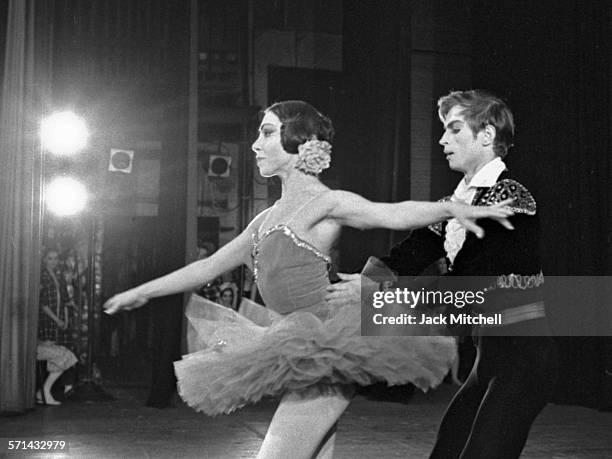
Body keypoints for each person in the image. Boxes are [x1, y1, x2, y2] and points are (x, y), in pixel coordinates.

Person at [103, 100, 515, 458]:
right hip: (297, 345)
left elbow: (390, 213)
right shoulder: (264, 220)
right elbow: (205, 269)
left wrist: (452, 210)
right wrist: (142, 291)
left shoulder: (326, 202)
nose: (255, 145)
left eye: (267, 133)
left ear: (299, 142)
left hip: (328, 346)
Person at [326, 90, 558, 458]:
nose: (442, 140)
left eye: (454, 129)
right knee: (447, 450)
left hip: (526, 360)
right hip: (489, 359)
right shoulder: (458, 202)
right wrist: (364, 281)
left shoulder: (512, 198)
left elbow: (471, 277)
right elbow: (414, 251)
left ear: (486, 136)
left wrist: (379, 296)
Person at [37, 248, 78, 405]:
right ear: (44, 260)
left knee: (60, 354)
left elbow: (65, 301)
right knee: (56, 352)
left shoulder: (59, 277)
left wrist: (65, 319)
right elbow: (44, 305)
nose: (53, 261)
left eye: (55, 258)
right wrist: (56, 320)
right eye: (50, 258)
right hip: (47, 321)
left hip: (58, 321)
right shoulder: (43, 277)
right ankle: (45, 391)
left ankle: (46, 391)